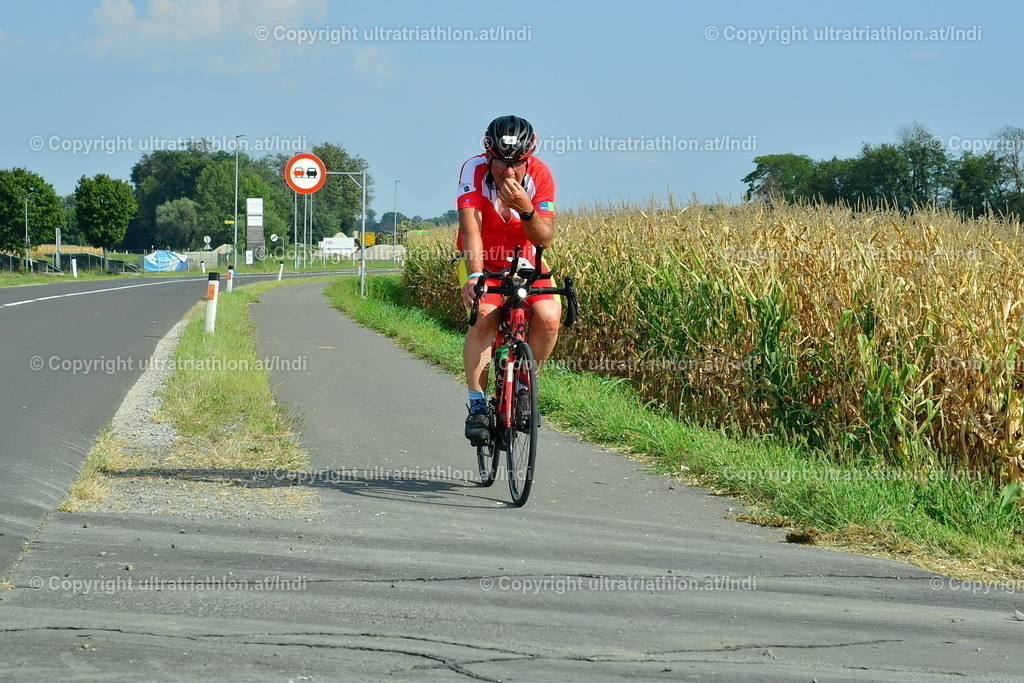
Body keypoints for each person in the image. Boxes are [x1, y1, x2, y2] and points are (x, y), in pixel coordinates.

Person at [456, 114, 560, 445]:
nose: (509, 171)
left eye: (517, 163)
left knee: (549, 316)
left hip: (525, 259)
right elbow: (470, 230)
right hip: (482, 260)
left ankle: (526, 385)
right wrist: (475, 275)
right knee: (484, 317)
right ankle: (477, 406)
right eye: (501, 162)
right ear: (489, 156)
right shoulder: (473, 170)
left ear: (529, 158)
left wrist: (526, 208)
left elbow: (544, 239)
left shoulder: (541, 175)